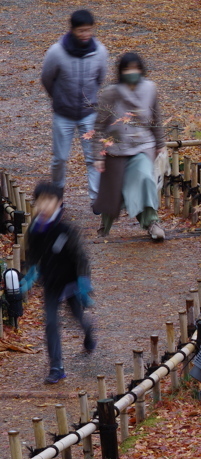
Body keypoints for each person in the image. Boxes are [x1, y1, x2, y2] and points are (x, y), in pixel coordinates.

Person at [21, 182, 96, 385]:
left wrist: (83, 281)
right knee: (51, 323)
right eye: (41, 201)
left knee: (77, 316)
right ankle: (56, 366)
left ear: (59, 203)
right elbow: (33, 254)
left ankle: (88, 331)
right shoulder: (35, 229)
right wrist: (30, 272)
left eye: (49, 201)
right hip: (51, 283)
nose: (44, 206)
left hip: (71, 282)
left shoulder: (65, 230)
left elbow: (80, 257)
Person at [92, 52, 166, 241]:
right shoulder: (111, 93)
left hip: (142, 145)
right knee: (114, 189)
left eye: (135, 68)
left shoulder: (150, 88)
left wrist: (160, 144)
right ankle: (104, 227)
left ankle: (152, 222)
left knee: (144, 178)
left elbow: (155, 117)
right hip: (116, 147)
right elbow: (99, 125)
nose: (131, 72)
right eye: (127, 68)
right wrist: (98, 156)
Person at [41, 9, 108, 205]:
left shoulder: (99, 51)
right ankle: (58, 196)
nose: (85, 35)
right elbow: (47, 78)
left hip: (89, 113)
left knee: (93, 157)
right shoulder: (57, 52)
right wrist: (59, 98)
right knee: (60, 158)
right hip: (64, 114)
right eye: (81, 31)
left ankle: (96, 199)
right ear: (72, 30)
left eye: (89, 30)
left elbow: (100, 77)